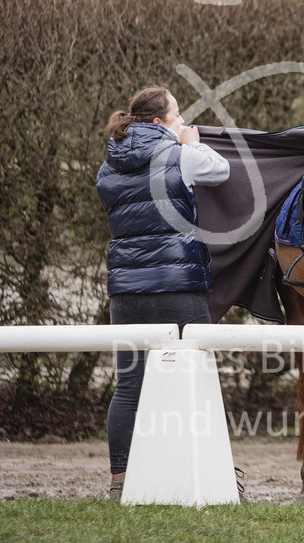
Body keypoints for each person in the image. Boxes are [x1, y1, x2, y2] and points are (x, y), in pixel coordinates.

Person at [95, 85, 229, 501]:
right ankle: (216, 475)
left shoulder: (107, 167)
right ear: (159, 122)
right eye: (177, 114)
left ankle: (120, 481)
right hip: (178, 286)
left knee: (129, 386)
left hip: (125, 292)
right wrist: (188, 142)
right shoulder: (183, 154)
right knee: (201, 379)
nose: (184, 120)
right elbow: (220, 170)